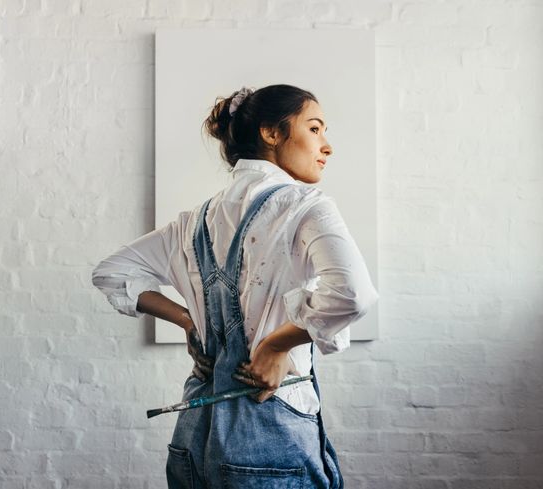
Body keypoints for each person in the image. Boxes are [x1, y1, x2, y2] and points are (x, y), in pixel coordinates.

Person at [91, 84, 378, 488]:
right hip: (269, 431)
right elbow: (353, 294)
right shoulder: (305, 206)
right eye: (315, 129)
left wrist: (189, 321)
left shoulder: (194, 221)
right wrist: (276, 345)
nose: (327, 146)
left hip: (193, 434)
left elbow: (112, 272)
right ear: (272, 133)